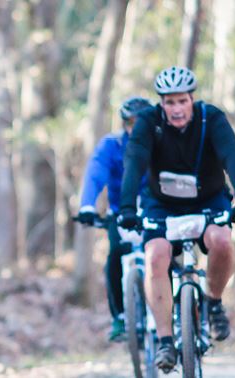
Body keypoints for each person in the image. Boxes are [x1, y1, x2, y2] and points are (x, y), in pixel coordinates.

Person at [115, 66, 235, 372]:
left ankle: (214, 303)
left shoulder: (212, 119)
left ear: (192, 99)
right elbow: (135, 162)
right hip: (162, 204)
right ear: (161, 104)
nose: (177, 108)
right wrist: (126, 208)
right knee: (155, 255)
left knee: (221, 240)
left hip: (209, 198)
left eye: (182, 101)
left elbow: (230, 156)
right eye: (170, 102)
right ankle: (166, 341)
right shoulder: (148, 123)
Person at [74, 96, 158, 342]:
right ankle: (120, 316)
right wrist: (87, 206)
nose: (136, 128)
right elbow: (95, 174)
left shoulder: (162, 144)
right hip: (120, 212)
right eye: (131, 122)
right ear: (124, 124)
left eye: (142, 122)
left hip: (156, 210)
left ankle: (178, 309)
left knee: (164, 253)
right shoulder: (112, 145)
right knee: (115, 256)